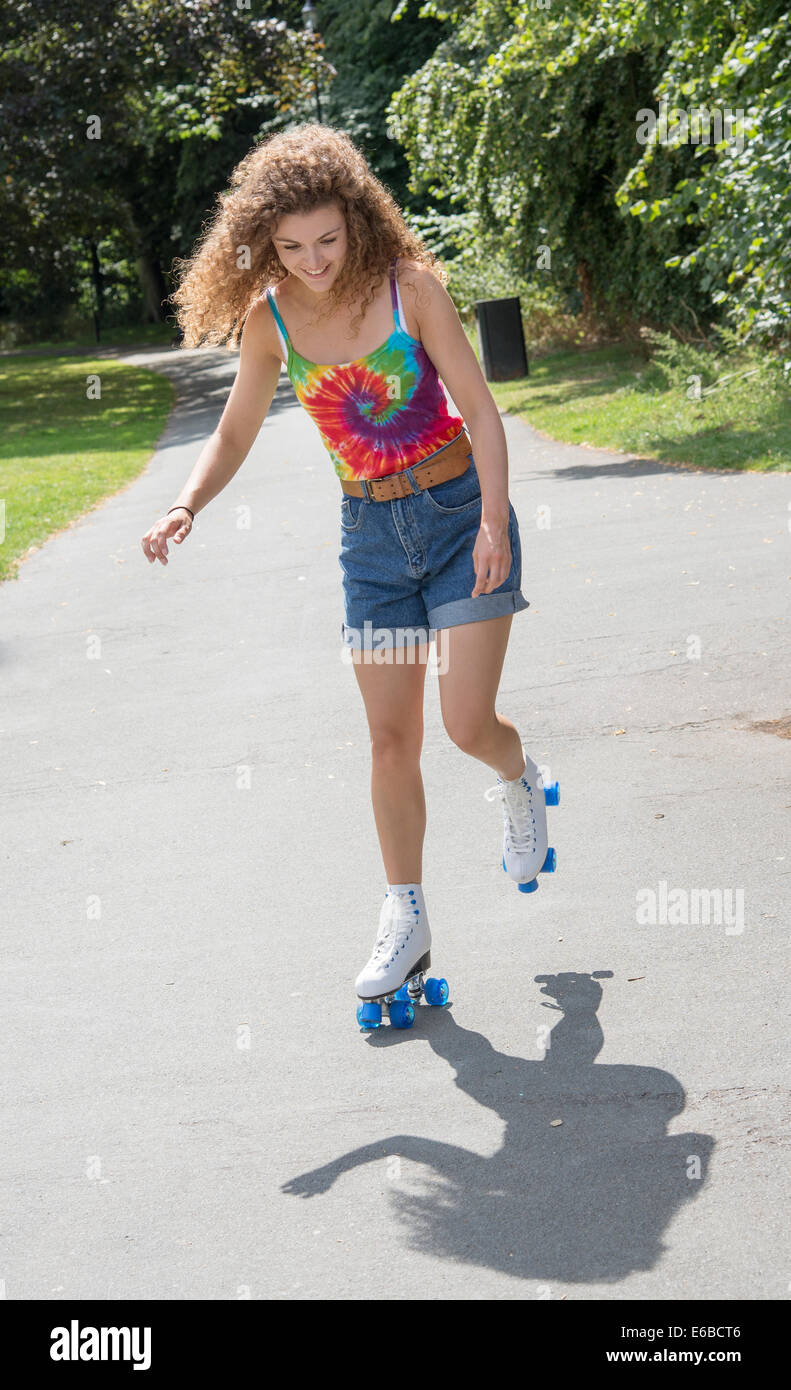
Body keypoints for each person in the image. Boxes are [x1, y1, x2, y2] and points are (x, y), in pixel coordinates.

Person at [141, 123, 554, 1019]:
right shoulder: (270, 319)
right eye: (291, 247)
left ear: (356, 219)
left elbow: (481, 413)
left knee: (465, 724)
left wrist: (492, 522)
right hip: (369, 542)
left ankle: (519, 778)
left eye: (326, 239)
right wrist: (185, 504)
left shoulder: (412, 290)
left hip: (458, 518)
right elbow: (235, 430)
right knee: (388, 741)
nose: (314, 260)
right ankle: (403, 915)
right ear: (263, 243)